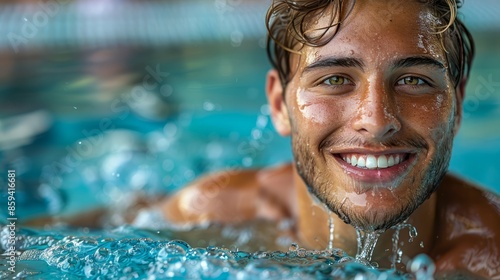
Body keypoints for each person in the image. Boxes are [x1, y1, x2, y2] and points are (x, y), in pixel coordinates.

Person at [156, 0, 500, 278]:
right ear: (279, 104)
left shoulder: (491, 254)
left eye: (414, 80)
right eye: (335, 80)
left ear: (457, 103)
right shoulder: (208, 216)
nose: (376, 121)